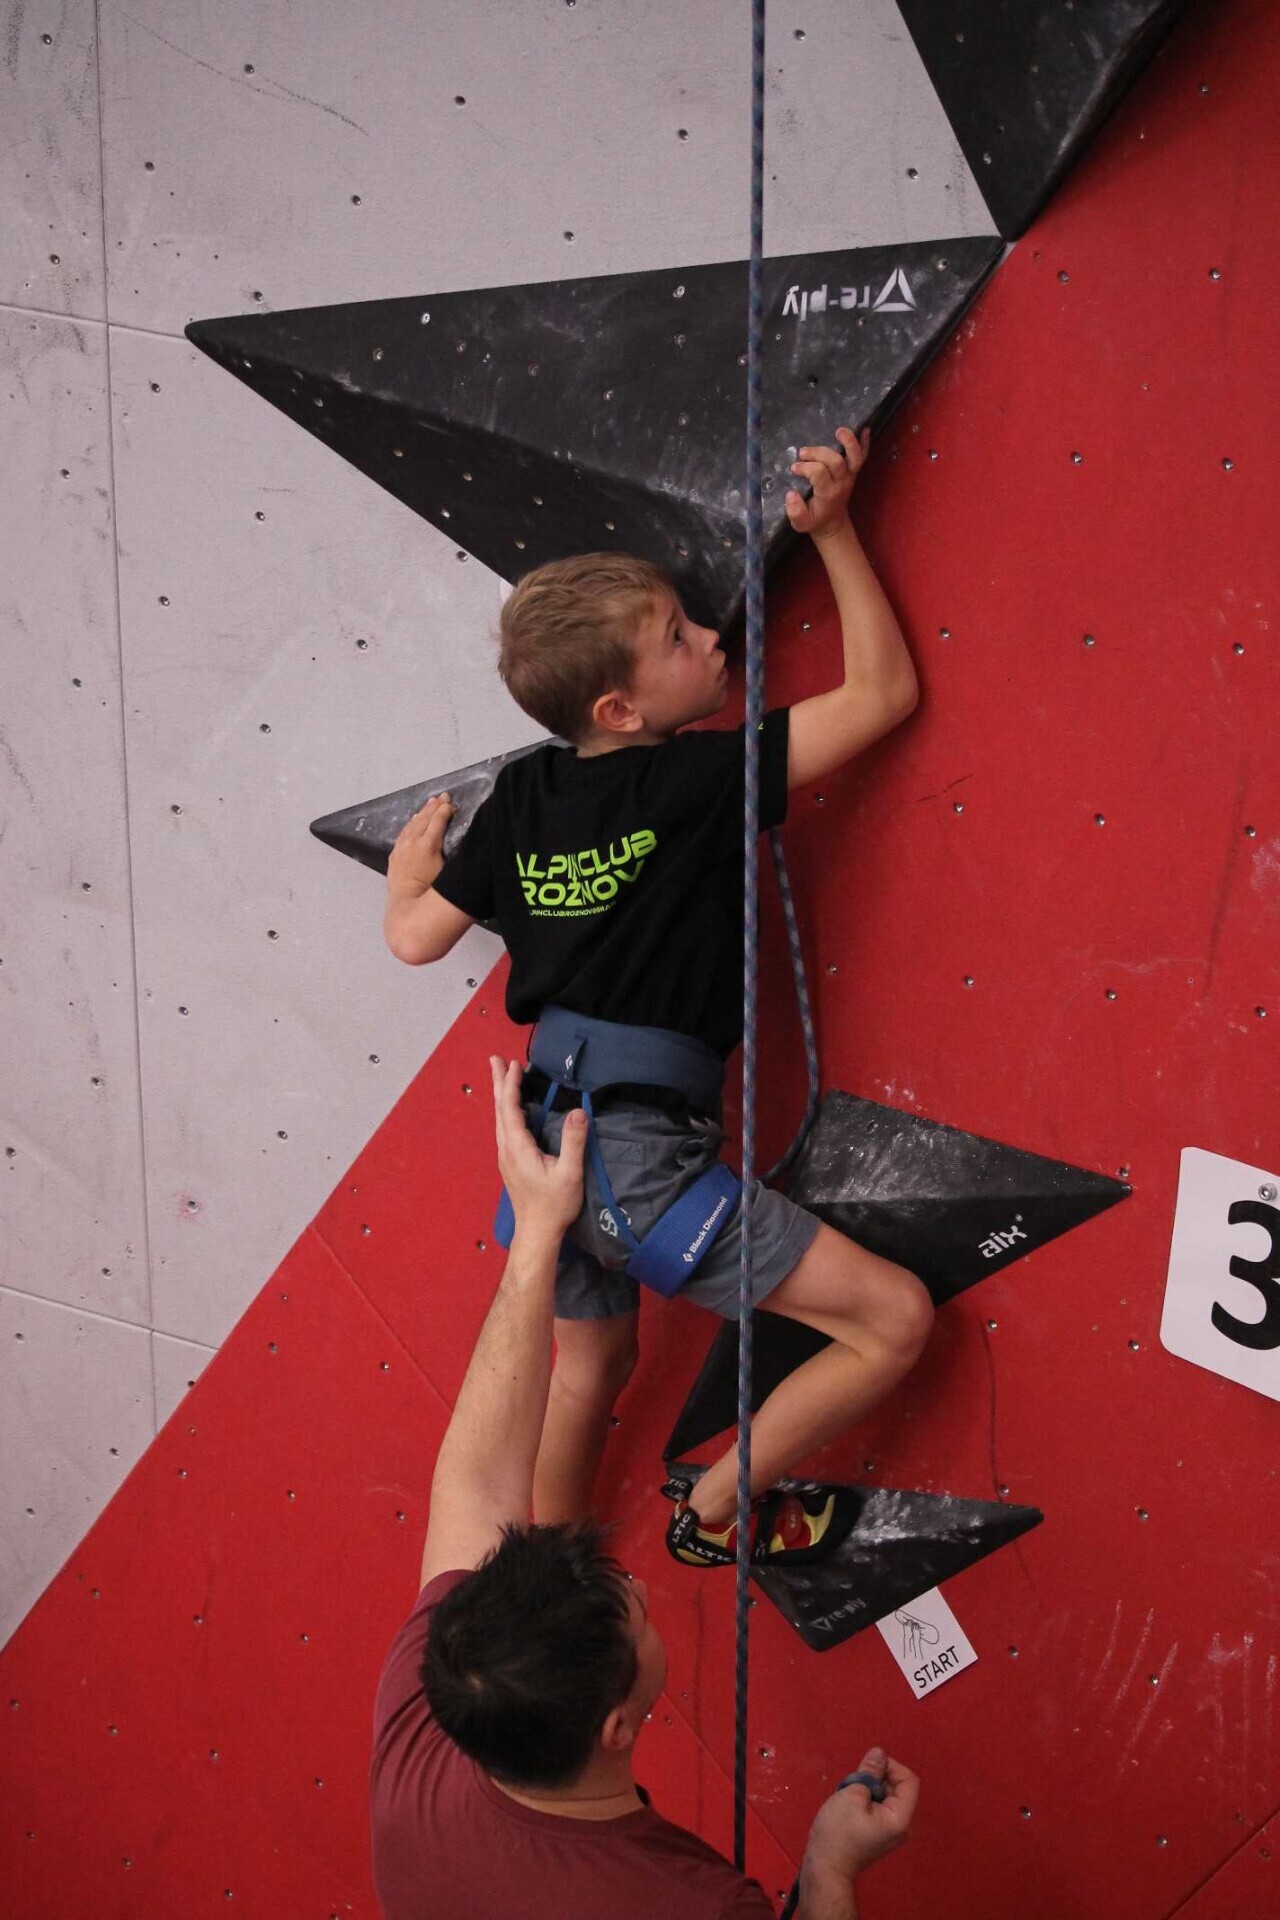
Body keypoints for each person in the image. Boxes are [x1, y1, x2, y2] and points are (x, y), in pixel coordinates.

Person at [383, 428, 935, 1567]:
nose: (713, 639)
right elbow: (882, 694)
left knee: (589, 1366)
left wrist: (407, 873)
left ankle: (549, 1579)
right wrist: (833, 532)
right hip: (636, 1157)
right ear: (621, 710)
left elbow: (413, 938)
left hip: (546, 1149)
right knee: (892, 1322)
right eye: (680, 639)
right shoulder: (698, 779)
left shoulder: (527, 792)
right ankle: (720, 1503)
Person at [368, 1054, 919, 1919]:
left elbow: (476, 1485)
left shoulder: (434, 1717)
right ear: (617, 1728)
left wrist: (538, 1234)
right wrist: (830, 1871)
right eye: (636, 1615)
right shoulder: (686, 1904)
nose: (639, 1585)